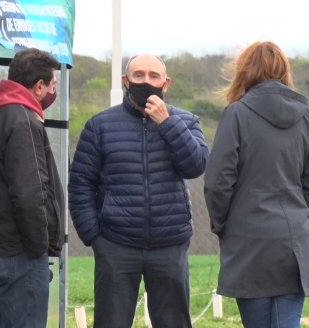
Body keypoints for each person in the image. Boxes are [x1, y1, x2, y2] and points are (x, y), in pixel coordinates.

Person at [68, 54, 208, 328]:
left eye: (154, 76)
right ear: (125, 81)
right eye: (139, 75)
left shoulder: (186, 121)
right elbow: (81, 183)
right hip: (116, 245)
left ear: (166, 84)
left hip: (169, 244)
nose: (147, 81)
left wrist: (167, 123)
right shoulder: (100, 126)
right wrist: (95, 237)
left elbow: (195, 166)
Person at [203, 41, 309, 327]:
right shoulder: (304, 115)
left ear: (246, 71)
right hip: (294, 240)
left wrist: (222, 224)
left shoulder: (237, 113)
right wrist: (298, 216)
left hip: (249, 239)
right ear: (284, 70)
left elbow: (218, 182)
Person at [0, 48, 64, 328]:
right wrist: (39, 249)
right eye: (52, 85)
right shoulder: (21, 120)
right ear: (39, 85)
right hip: (20, 253)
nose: (52, 93)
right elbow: (29, 193)